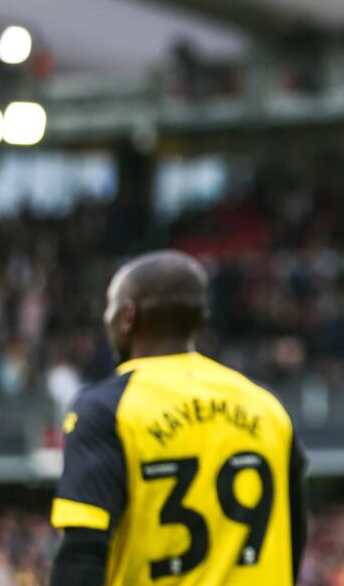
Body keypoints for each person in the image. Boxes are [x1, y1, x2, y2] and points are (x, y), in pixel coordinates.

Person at [49, 250, 307, 585]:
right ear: (201, 320)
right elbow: (293, 534)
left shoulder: (106, 409)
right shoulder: (266, 407)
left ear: (127, 317)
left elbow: (82, 554)